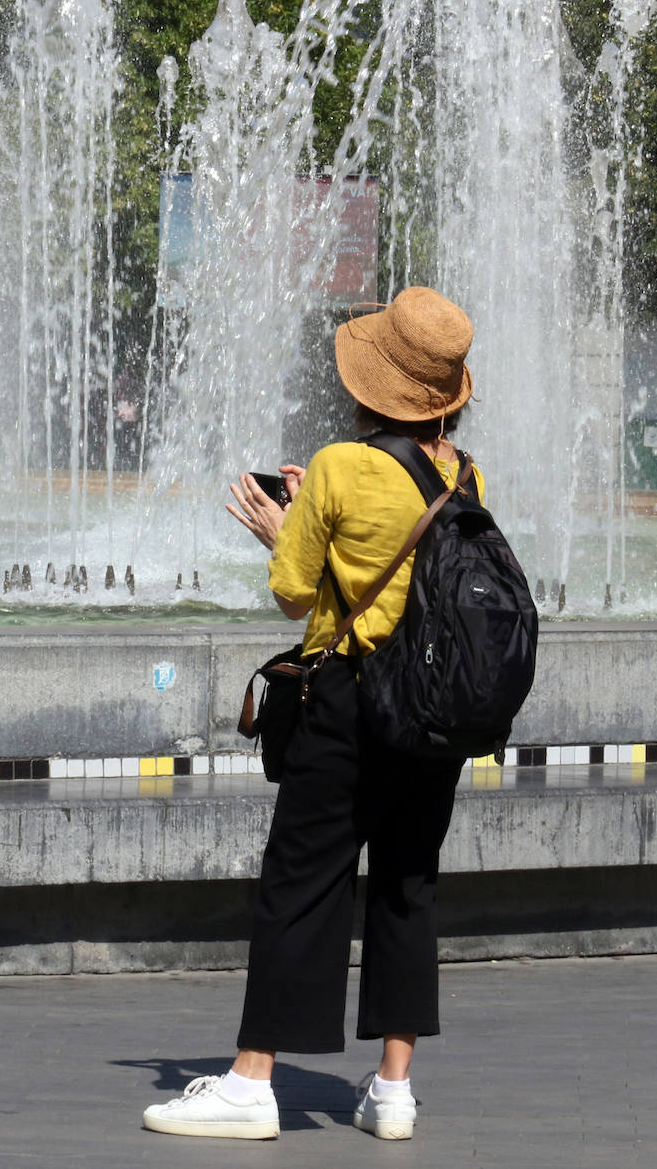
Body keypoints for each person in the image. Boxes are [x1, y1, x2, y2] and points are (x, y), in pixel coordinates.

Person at [140, 286, 486, 1144]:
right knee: (408, 886)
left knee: (302, 882)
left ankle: (254, 1079)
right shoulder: (464, 474)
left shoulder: (337, 466)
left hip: (350, 702)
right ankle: (393, 1090)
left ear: (370, 386)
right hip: (435, 710)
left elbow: (296, 593)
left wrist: (285, 525)